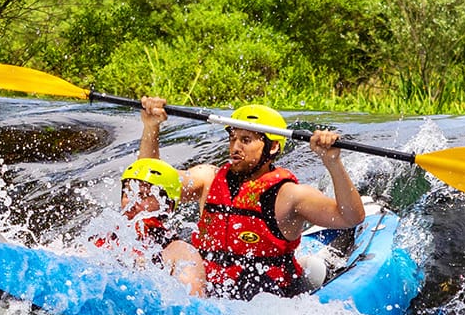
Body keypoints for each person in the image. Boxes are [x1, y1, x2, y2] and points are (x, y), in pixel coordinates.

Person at [137, 96, 367, 299]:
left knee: (307, 272)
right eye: (233, 138)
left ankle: (318, 266)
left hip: (263, 295)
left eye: (246, 140)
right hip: (205, 286)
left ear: (273, 147)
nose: (235, 147)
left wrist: (332, 162)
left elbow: (351, 217)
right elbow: (151, 184)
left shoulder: (289, 195)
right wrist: (151, 127)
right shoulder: (208, 178)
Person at [95, 157, 206, 291]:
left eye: (143, 196)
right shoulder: (105, 239)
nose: (131, 204)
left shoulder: (180, 253)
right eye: (127, 193)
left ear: (167, 206)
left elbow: (192, 301)